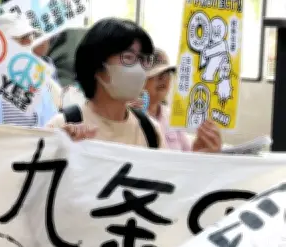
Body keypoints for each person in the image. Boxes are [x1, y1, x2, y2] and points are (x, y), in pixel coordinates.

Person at [46, 18, 222, 152]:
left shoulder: (150, 130)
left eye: (144, 60)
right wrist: (64, 149)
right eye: (129, 58)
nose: (139, 69)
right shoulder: (63, 127)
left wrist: (199, 156)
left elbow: (164, 188)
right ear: (98, 66)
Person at [142, 48, 222, 152]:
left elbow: (187, 154)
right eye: (156, 74)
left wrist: (201, 148)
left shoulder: (172, 116)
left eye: (167, 73)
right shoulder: (133, 117)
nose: (164, 79)